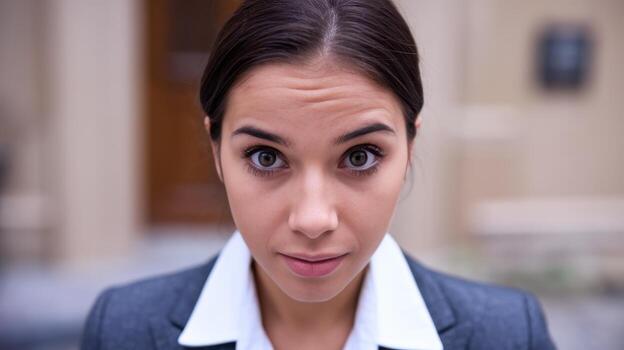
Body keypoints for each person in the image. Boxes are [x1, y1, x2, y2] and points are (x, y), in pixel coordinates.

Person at [81, 0, 556, 349]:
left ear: (410, 146)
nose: (313, 219)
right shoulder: (122, 328)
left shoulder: (507, 333)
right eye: (266, 157)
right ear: (216, 149)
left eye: (360, 156)